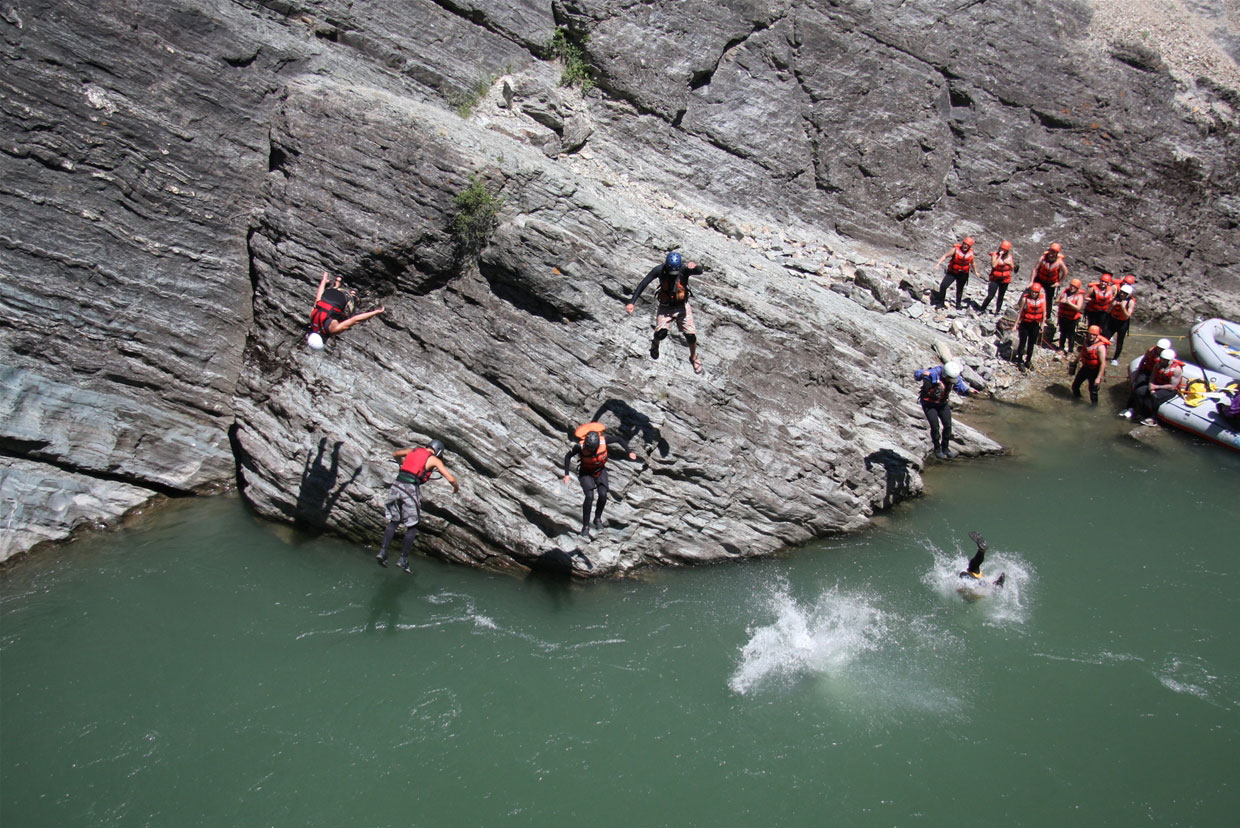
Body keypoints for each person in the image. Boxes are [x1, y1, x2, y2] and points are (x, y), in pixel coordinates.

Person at [376, 439, 459, 572]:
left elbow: (396, 453)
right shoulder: (434, 460)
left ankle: (383, 551)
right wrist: (456, 487)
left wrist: (401, 465)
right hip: (409, 489)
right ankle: (403, 559)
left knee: (394, 521)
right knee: (412, 526)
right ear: (438, 452)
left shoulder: (413, 450)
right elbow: (450, 478)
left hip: (396, 485)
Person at [626, 251, 705, 374]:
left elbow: (700, 271)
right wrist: (632, 302)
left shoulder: (684, 269)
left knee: (690, 335)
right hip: (665, 307)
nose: (673, 275)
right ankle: (655, 344)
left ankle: (693, 357)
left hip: (682, 306)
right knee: (661, 334)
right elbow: (643, 283)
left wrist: (695, 267)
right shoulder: (659, 270)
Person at [563, 422, 636, 537]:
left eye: (593, 449)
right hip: (585, 472)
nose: (591, 451)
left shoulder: (603, 440)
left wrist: (629, 451)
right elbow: (568, 457)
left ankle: (597, 519)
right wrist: (566, 474)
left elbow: (618, 439)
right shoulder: (580, 447)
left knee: (603, 495)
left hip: (600, 470)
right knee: (589, 497)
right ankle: (585, 526)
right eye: (590, 448)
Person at [307, 271, 385, 351]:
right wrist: (323, 281)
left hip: (343, 296)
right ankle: (337, 283)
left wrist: (375, 312)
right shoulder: (312, 318)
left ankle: (353, 295)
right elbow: (318, 299)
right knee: (329, 305)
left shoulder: (332, 329)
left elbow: (355, 320)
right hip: (329, 292)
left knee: (346, 317)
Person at [914, 360, 971, 459]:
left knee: (948, 425)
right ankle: (937, 448)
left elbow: (960, 386)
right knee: (935, 426)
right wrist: (922, 374)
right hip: (929, 404)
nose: (952, 381)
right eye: (950, 379)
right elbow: (917, 374)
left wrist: (968, 390)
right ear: (945, 375)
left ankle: (945, 448)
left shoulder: (953, 376)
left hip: (942, 404)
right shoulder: (933, 373)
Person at [1120, 338, 1173, 419]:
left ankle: (1143, 412)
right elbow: (1144, 360)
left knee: (1143, 392)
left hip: (1156, 377)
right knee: (1136, 388)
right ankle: (1130, 408)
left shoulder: (1167, 358)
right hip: (1147, 372)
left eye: (1161, 349)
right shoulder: (1151, 351)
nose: (1159, 350)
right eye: (1158, 348)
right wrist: (1138, 372)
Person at [1135, 349, 1184, 425]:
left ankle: (1153, 419)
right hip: (1157, 385)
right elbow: (1152, 377)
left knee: (1155, 396)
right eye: (1161, 359)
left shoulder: (1176, 370)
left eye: (1164, 360)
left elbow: (1172, 387)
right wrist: (1151, 386)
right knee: (1139, 391)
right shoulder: (1158, 364)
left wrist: (1156, 387)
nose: (1161, 361)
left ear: (1169, 361)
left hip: (1169, 390)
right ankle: (1141, 413)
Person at [934, 236, 977, 310]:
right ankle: (941, 302)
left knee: (960, 289)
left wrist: (976, 271)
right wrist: (938, 263)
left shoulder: (971, 254)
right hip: (952, 272)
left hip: (963, 274)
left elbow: (973, 263)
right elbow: (945, 256)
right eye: (964, 244)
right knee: (943, 286)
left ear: (970, 247)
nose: (965, 246)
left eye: (967, 245)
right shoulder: (955, 250)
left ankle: (958, 304)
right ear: (962, 243)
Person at [1071, 325, 1109, 404]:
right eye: (1090, 334)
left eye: (1093, 334)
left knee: (1093, 391)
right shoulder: (1086, 341)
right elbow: (1082, 352)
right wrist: (1075, 361)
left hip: (1095, 371)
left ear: (1097, 335)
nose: (1091, 336)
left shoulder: (1100, 347)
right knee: (1075, 386)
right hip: (1085, 368)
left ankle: (1094, 408)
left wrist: (1098, 378)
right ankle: (1077, 401)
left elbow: (1103, 364)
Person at [1013, 283, 1046, 369]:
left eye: (1036, 292)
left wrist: (1042, 325)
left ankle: (1028, 360)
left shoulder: (1042, 300)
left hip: (1035, 324)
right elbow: (1020, 312)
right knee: (1022, 342)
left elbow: (1044, 313)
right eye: (1032, 292)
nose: (1034, 294)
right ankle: (1019, 360)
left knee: (1031, 343)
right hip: (1025, 324)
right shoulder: (1025, 299)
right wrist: (1015, 324)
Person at [978, 240, 1015, 315]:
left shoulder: (1009, 257)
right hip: (995, 279)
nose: (1002, 250)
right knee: (990, 295)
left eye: (1004, 250)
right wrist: (1000, 256)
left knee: (1001, 296)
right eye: (1001, 249)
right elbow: (994, 265)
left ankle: (997, 311)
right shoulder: (995, 255)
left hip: (1005, 280)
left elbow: (1013, 268)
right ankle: (982, 308)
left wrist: (1010, 263)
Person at [1031, 242, 1068, 312]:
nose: (1051, 253)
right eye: (1051, 251)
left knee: (1049, 299)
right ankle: (1023, 306)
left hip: (1051, 282)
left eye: (1054, 252)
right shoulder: (1042, 258)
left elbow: (1065, 272)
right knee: (1031, 291)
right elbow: (1035, 269)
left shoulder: (1059, 262)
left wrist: (1059, 282)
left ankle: (1047, 316)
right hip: (1040, 279)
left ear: (1056, 253)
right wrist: (1031, 281)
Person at [1105, 282, 1136, 365]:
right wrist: (1112, 305)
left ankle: (1115, 358)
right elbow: (1108, 311)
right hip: (1112, 321)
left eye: (1124, 293)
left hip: (1122, 323)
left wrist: (1122, 307)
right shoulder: (1116, 298)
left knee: (1120, 341)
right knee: (1105, 338)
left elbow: (1127, 316)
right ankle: (1102, 353)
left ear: (1128, 294)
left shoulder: (1130, 302)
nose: (1122, 294)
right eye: (1121, 292)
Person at [1055, 278, 1086, 353]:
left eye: (1074, 287)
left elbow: (1078, 308)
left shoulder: (1079, 296)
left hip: (1072, 319)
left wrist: (1069, 303)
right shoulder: (1064, 293)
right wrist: (1060, 301)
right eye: (1071, 286)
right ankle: (1061, 347)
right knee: (1062, 333)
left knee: (1071, 335)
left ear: (1077, 288)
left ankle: (1070, 350)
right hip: (1063, 317)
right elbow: (1056, 302)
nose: (1072, 288)